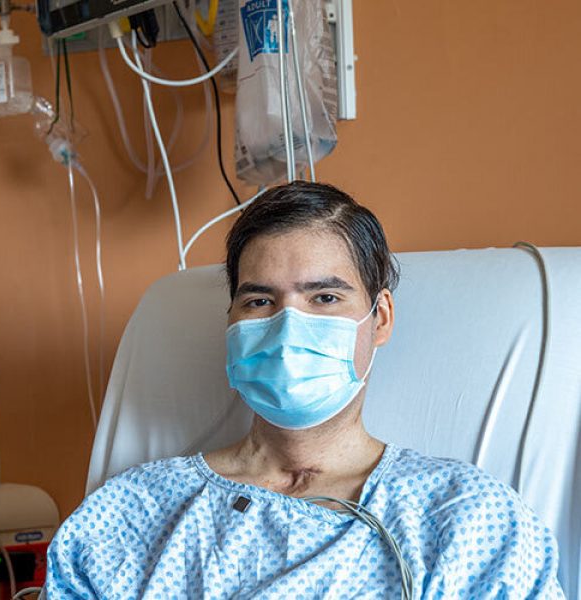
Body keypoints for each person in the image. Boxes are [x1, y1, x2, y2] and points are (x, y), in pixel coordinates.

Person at [44, 182, 565, 598]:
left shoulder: (463, 519)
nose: (288, 327)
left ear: (378, 319)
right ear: (231, 323)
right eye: (259, 302)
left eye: (323, 297)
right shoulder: (135, 513)